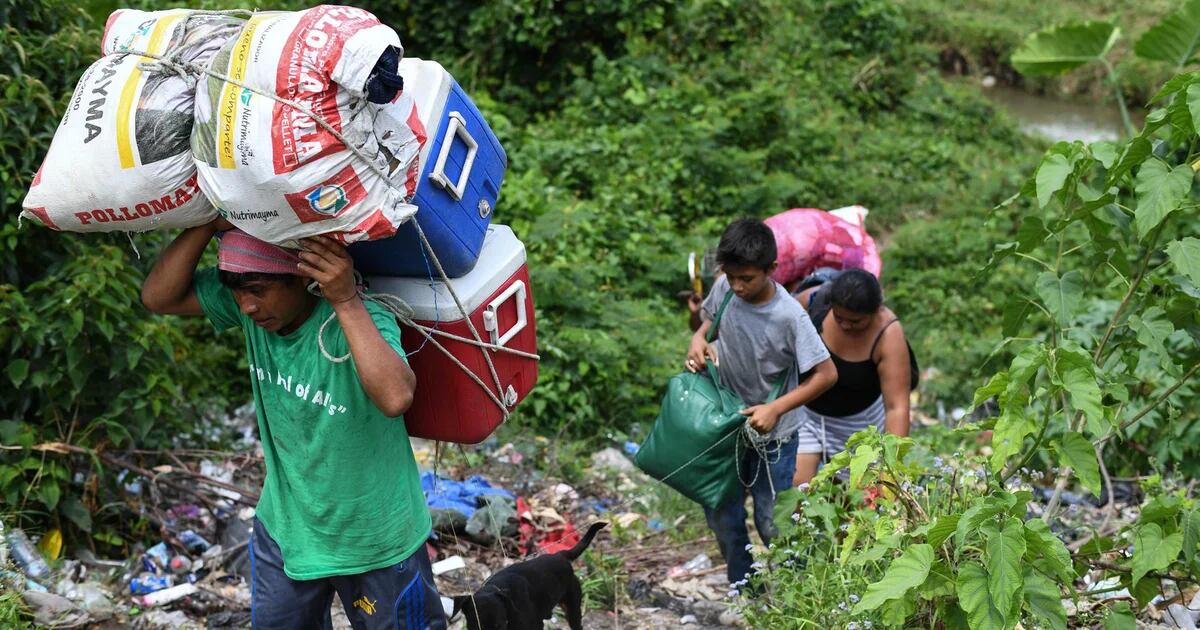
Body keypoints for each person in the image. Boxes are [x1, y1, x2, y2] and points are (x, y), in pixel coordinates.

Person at [140, 219, 445, 630]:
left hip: (375, 538)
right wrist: (206, 221)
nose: (247, 306)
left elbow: (396, 397)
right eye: (238, 292)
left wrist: (346, 300)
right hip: (287, 529)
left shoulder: (361, 317)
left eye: (258, 291)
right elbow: (158, 297)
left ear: (302, 278)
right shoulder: (251, 311)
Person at [685, 218, 837, 587]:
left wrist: (776, 408)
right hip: (727, 425)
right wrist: (698, 340)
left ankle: (795, 592)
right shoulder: (724, 287)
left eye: (747, 279)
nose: (738, 286)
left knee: (772, 521)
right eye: (732, 276)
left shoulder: (789, 316)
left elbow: (826, 374)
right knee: (723, 514)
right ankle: (745, 591)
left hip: (775, 437)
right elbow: (708, 324)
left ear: (771, 270)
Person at [792, 268, 915, 486]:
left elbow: (897, 407)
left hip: (859, 424)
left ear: (876, 311)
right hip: (808, 414)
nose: (846, 325)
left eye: (856, 322)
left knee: (858, 498)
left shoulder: (888, 334)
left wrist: (890, 472)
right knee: (798, 489)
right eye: (839, 318)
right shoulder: (815, 301)